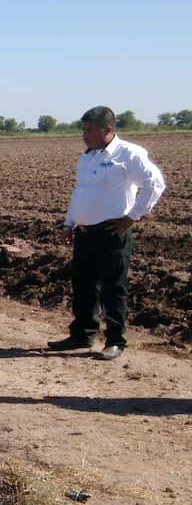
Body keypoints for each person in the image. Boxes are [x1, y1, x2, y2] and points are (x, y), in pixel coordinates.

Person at [47, 106, 165, 361]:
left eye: (90, 131)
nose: (84, 136)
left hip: (111, 233)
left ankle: (115, 341)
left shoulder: (128, 154)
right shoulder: (87, 157)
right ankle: (82, 334)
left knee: (113, 288)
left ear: (107, 129)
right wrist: (69, 223)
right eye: (83, 130)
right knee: (83, 286)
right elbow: (80, 193)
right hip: (84, 233)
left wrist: (132, 216)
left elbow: (154, 184)